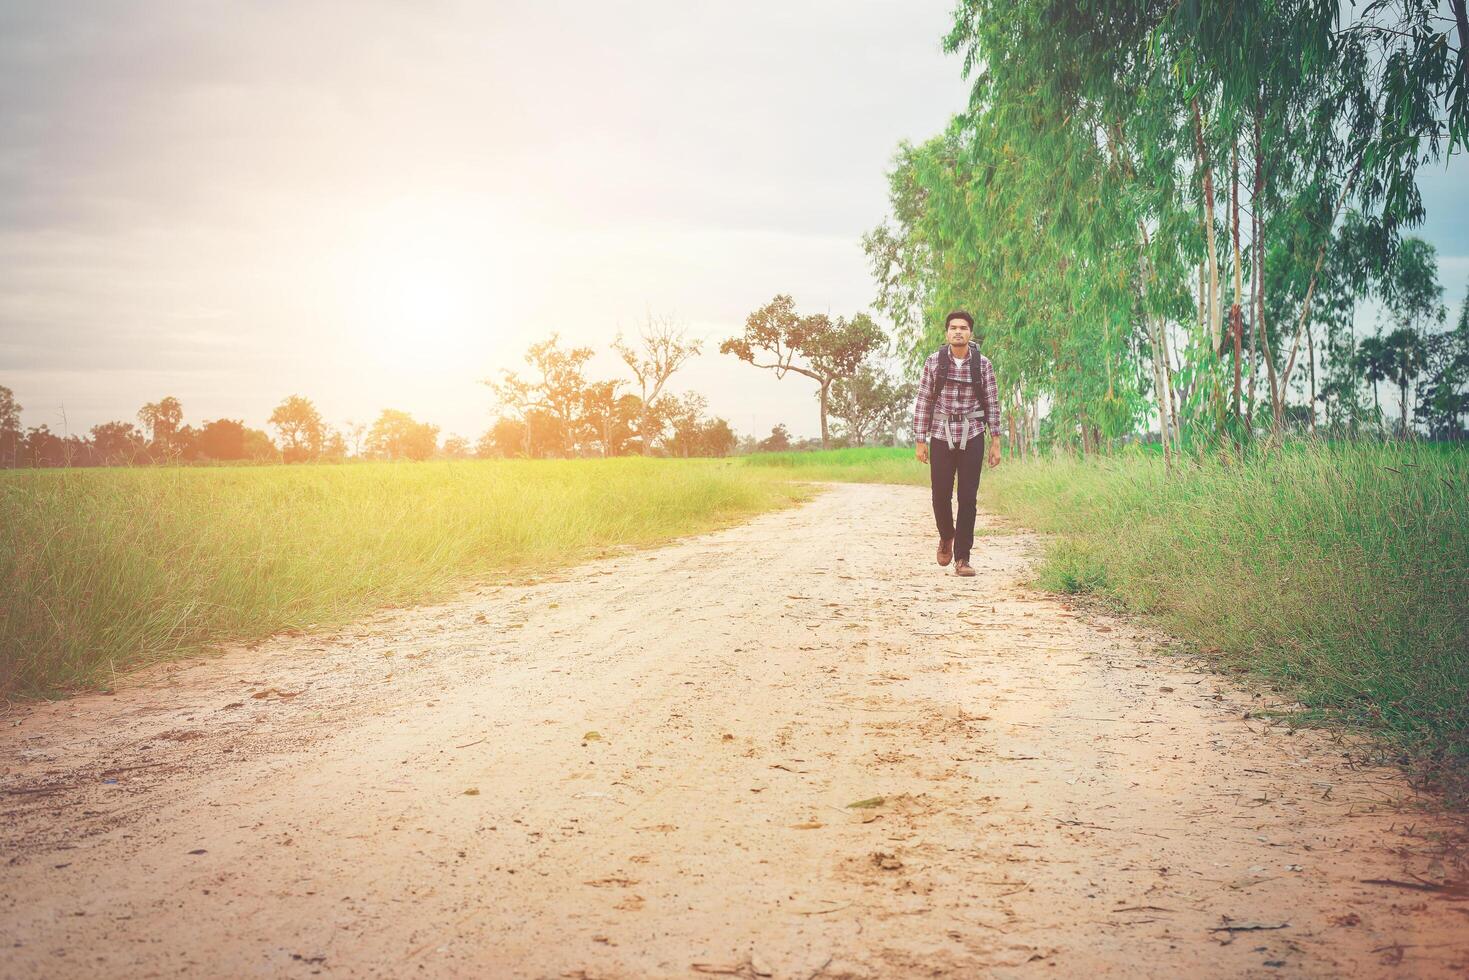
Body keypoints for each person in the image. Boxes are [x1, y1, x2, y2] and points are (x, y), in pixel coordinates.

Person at [912, 310, 1001, 577]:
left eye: (963, 327)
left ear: (970, 333)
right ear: (947, 333)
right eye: (953, 328)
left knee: (968, 498)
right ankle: (946, 536)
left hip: (972, 432)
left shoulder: (983, 365)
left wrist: (996, 441)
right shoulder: (934, 363)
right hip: (940, 432)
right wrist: (920, 440)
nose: (958, 331)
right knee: (940, 495)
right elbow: (924, 400)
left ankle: (962, 557)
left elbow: (993, 404)